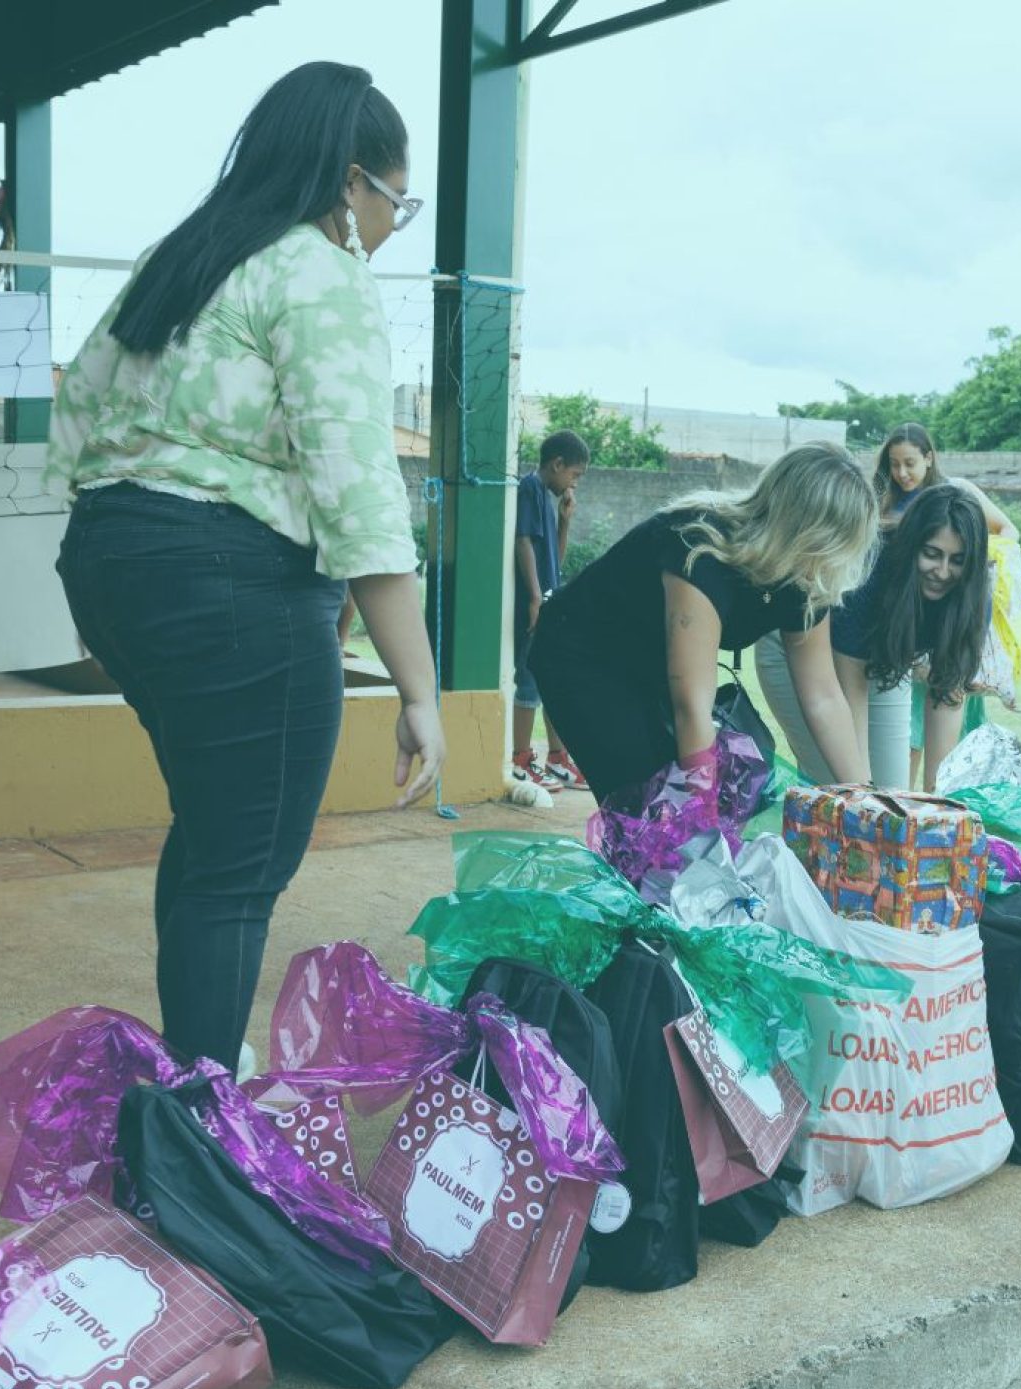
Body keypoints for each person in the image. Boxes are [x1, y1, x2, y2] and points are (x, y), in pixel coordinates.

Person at [44, 61, 442, 1070]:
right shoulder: (318, 272)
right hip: (226, 577)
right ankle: (198, 1130)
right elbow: (358, 488)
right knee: (241, 864)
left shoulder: (180, 257)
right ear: (354, 184)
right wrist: (421, 689)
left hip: (110, 557)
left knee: (214, 834)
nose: (396, 223)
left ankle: (191, 1074)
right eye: (400, 200)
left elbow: (78, 415)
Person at [530, 441, 877, 802]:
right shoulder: (701, 550)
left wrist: (867, 800)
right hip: (581, 652)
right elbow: (691, 708)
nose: (834, 564)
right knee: (647, 802)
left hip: (653, 659)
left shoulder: (807, 575)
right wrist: (704, 827)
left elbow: (823, 696)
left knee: (720, 786)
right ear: (802, 532)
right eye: (832, 547)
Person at [755, 421, 1014, 790]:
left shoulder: (971, 598)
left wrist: (936, 801)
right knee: (843, 786)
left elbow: (946, 695)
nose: (942, 571)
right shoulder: (871, 575)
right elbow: (847, 694)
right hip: (804, 651)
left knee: (896, 794)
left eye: (957, 561)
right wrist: (861, 793)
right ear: (912, 549)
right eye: (932, 554)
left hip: (883, 657)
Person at [512, 428, 590, 792]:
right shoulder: (529, 488)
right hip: (535, 605)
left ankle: (557, 759)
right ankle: (520, 760)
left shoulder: (547, 498)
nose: (574, 483)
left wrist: (565, 521)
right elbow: (523, 541)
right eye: (574, 474)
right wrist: (532, 597)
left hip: (548, 601)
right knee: (528, 680)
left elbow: (554, 563)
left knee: (553, 679)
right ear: (557, 464)